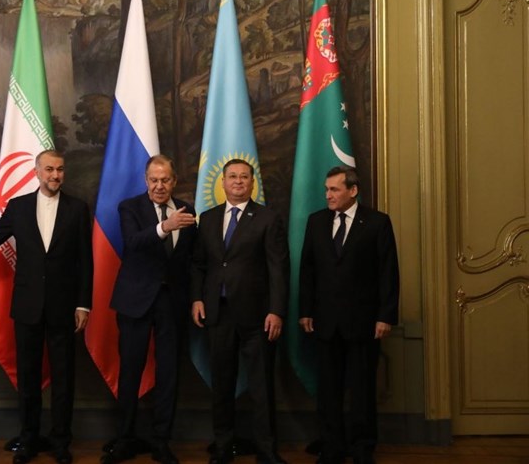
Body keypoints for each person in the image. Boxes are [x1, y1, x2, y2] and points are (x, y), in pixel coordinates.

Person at [0, 149, 93, 464]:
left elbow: (86, 261)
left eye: (60, 169)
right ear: (37, 172)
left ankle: (61, 441)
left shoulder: (78, 209)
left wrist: (83, 304)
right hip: (27, 306)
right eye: (49, 169)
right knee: (28, 377)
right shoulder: (19, 206)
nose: (55, 175)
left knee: (64, 379)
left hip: (65, 307)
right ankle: (28, 439)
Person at [298, 165, 399, 464]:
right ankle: (332, 447)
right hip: (325, 321)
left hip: (364, 322)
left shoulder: (377, 223)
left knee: (362, 390)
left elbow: (388, 272)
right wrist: (305, 311)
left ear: (353, 191)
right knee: (328, 391)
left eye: (334, 189)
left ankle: (362, 448)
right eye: (326, 189)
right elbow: (307, 270)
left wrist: (385, 316)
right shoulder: (316, 221)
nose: (328, 195)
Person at [191, 159, 289, 464]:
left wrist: (276, 310)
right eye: (232, 176)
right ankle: (223, 447)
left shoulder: (268, 218)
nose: (238, 181)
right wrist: (196, 299)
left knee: (261, 387)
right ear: (222, 182)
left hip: (257, 316)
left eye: (244, 177)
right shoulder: (208, 218)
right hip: (217, 314)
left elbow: (278, 269)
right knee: (221, 385)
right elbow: (199, 264)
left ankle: (267, 451)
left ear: (252, 182)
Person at [104, 155, 198, 464]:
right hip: (136, 301)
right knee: (130, 372)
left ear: (174, 181)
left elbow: (191, 260)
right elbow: (132, 242)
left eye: (165, 180)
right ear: (146, 181)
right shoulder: (130, 207)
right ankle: (124, 439)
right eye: (154, 180)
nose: (159, 186)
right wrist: (165, 226)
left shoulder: (187, 210)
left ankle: (161, 441)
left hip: (172, 303)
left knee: (169, 373)